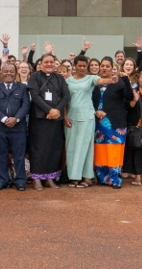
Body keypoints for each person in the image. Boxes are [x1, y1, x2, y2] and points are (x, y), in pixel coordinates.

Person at [27, 53, 69, 189]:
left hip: (56, 118)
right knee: (39, 148)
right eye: (46, 62)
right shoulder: (34, 77)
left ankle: (50, 178)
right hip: (40, 118)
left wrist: (56, 110)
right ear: (41, 63)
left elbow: (66, 96)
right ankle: (37, 178)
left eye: (52, 62)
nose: (49, 64)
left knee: (53, 148)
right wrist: (48, 110)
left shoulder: (59, 78)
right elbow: (35, 96)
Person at [91, 57, 133, 189]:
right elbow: (90, 102)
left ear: (112, 68)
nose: (104, 68)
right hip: (99, 123)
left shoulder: (119, 82)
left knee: (114, 152)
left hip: (116, 124)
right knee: (101, 151)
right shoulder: (95, 83)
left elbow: (129, 97)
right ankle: (102, 178)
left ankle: (115, 179)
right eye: (102, 65)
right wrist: (95, 112)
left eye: (107, 66)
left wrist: (125, 79)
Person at [0, 62, 30, 191]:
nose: (8, 74)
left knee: (19, 155)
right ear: (1, 73)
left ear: (15, 73)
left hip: (18, 128)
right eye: (6, 71)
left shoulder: (22, 88)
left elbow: (26, 105)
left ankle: (20, 181)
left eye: (11, 71)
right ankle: (2, 180)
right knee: (0, 155)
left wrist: (16, 119)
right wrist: (4, 119)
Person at [64, 55, 96, 187]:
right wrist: (64, 117)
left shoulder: (91, 78)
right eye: (80, 66)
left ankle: (87, 177)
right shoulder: (68, 81)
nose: (82, 68)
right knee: (71, 148)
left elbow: (101, 82)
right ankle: (74, 176)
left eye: (84, 66)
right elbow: (65, 100)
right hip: (71, 118)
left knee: (86, 147)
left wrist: (111, 80)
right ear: (75, 66)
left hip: (87, 117)